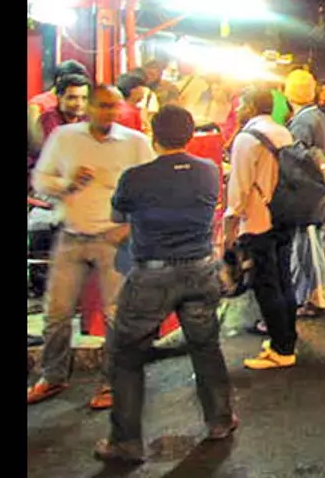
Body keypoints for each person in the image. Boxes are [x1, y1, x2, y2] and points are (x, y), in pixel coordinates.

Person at [95, 105, 235, 464]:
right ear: (190, 135)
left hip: (152, 275)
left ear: (152, 134)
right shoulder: (207, 172)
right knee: (206, 347)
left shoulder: (135, 177)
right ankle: (220, 420)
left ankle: (125, 442)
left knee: (127, 356)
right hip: (201, 269)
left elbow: (118, 218)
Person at [28, 85, 155, 409]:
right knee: (57, 313)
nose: (107, 113)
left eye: (113, 107)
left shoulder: (134, 143)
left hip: (114, 238)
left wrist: (131, 224)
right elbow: (41, 180)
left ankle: (111, 383)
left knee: (116, 315)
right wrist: (67, 183)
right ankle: (53, 375)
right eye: (101, 106)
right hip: (72, 234)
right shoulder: (65, 138)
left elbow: (151, 187)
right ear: (89, 107)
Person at [226, 88, 300, 369]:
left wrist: (231, 223)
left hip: (258, 220)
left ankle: (282, 350)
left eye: (242, 103)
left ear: (252, 106)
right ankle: (286, 339)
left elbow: (240, 186)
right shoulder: (282, 132)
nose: (238, 108)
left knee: (266, 285)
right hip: (283, 214)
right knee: (283, 280)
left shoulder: (248, 138)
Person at [284, 69, 325, 317]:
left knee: (307, 249)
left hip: (307, 193)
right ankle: (316, 297)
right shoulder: (317, 116)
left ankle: (313, 299)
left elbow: (297, 159)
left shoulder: (303, 121)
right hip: (318, 191)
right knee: (311, 247)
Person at [29, 60, 89, 148]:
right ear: (59, 80)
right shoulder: (38, 105)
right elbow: (37, 144)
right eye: (72, 97)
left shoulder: (84, 112)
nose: (79, 103)